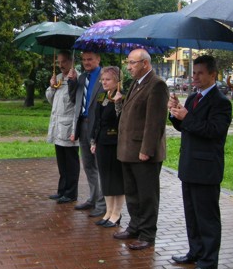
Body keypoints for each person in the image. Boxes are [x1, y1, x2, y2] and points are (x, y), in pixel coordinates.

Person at [168, 55, 232, 269]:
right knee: (191, 214)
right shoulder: (193, 97)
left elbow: (213, 131)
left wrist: (187, 117)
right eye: (193, 72)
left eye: (200, 73)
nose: (194, 77)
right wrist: (175, 113)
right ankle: (195, 251)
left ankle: (208, 261)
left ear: (213, 75)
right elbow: (185, 127)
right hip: (189, 166)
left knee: (207, 217)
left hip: (206, 169)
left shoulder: (221, 102)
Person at [114, 48, 168, 250]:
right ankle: (135, 226)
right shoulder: (136, 83)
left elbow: (155, 122)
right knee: (132, 193)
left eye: (132, 63)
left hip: (144, 153)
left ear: (145, 63)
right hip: (128, 151)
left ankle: (147, 234)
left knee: (147, 195)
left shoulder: (157, 85)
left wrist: (147, 149)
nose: (128, 67)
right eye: (128, 62)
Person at [67, 51, 106, 218]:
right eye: (83, 60)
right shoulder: (82, 77)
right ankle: (93, 197)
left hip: (97, 125)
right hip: (82, 124)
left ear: (98, 59)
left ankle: (102, 204)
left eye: (90, 59)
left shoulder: (106, 76)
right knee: (88, 164)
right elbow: (73, 99)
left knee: (99, 165)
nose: (86, 62)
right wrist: (72, 82)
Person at [89, 66, 125, 228]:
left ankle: (117, 214)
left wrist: (118, 105)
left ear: (117, 81)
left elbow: (123, 122)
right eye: (102, 79)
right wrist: (93, 141)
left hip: (115, 143)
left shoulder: (122, 97)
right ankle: (108, 212)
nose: (104, 82)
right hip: (102, 142)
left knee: (116, 179)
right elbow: (97, 120)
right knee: (105, 179)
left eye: (108, 79)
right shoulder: (102, 96)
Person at [46, 51, 80, 204]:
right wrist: (52, 87)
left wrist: (75, 130)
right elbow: (50, 100)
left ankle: (71, 192)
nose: (61, 65)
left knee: (71, 162)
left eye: (64, 61)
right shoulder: (58, 78)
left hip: (69, 127)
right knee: (61, 162)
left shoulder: (76, 78)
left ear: (72, 61)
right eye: (59, 62)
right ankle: (62, 190)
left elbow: (76, 103)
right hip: (57, 126)